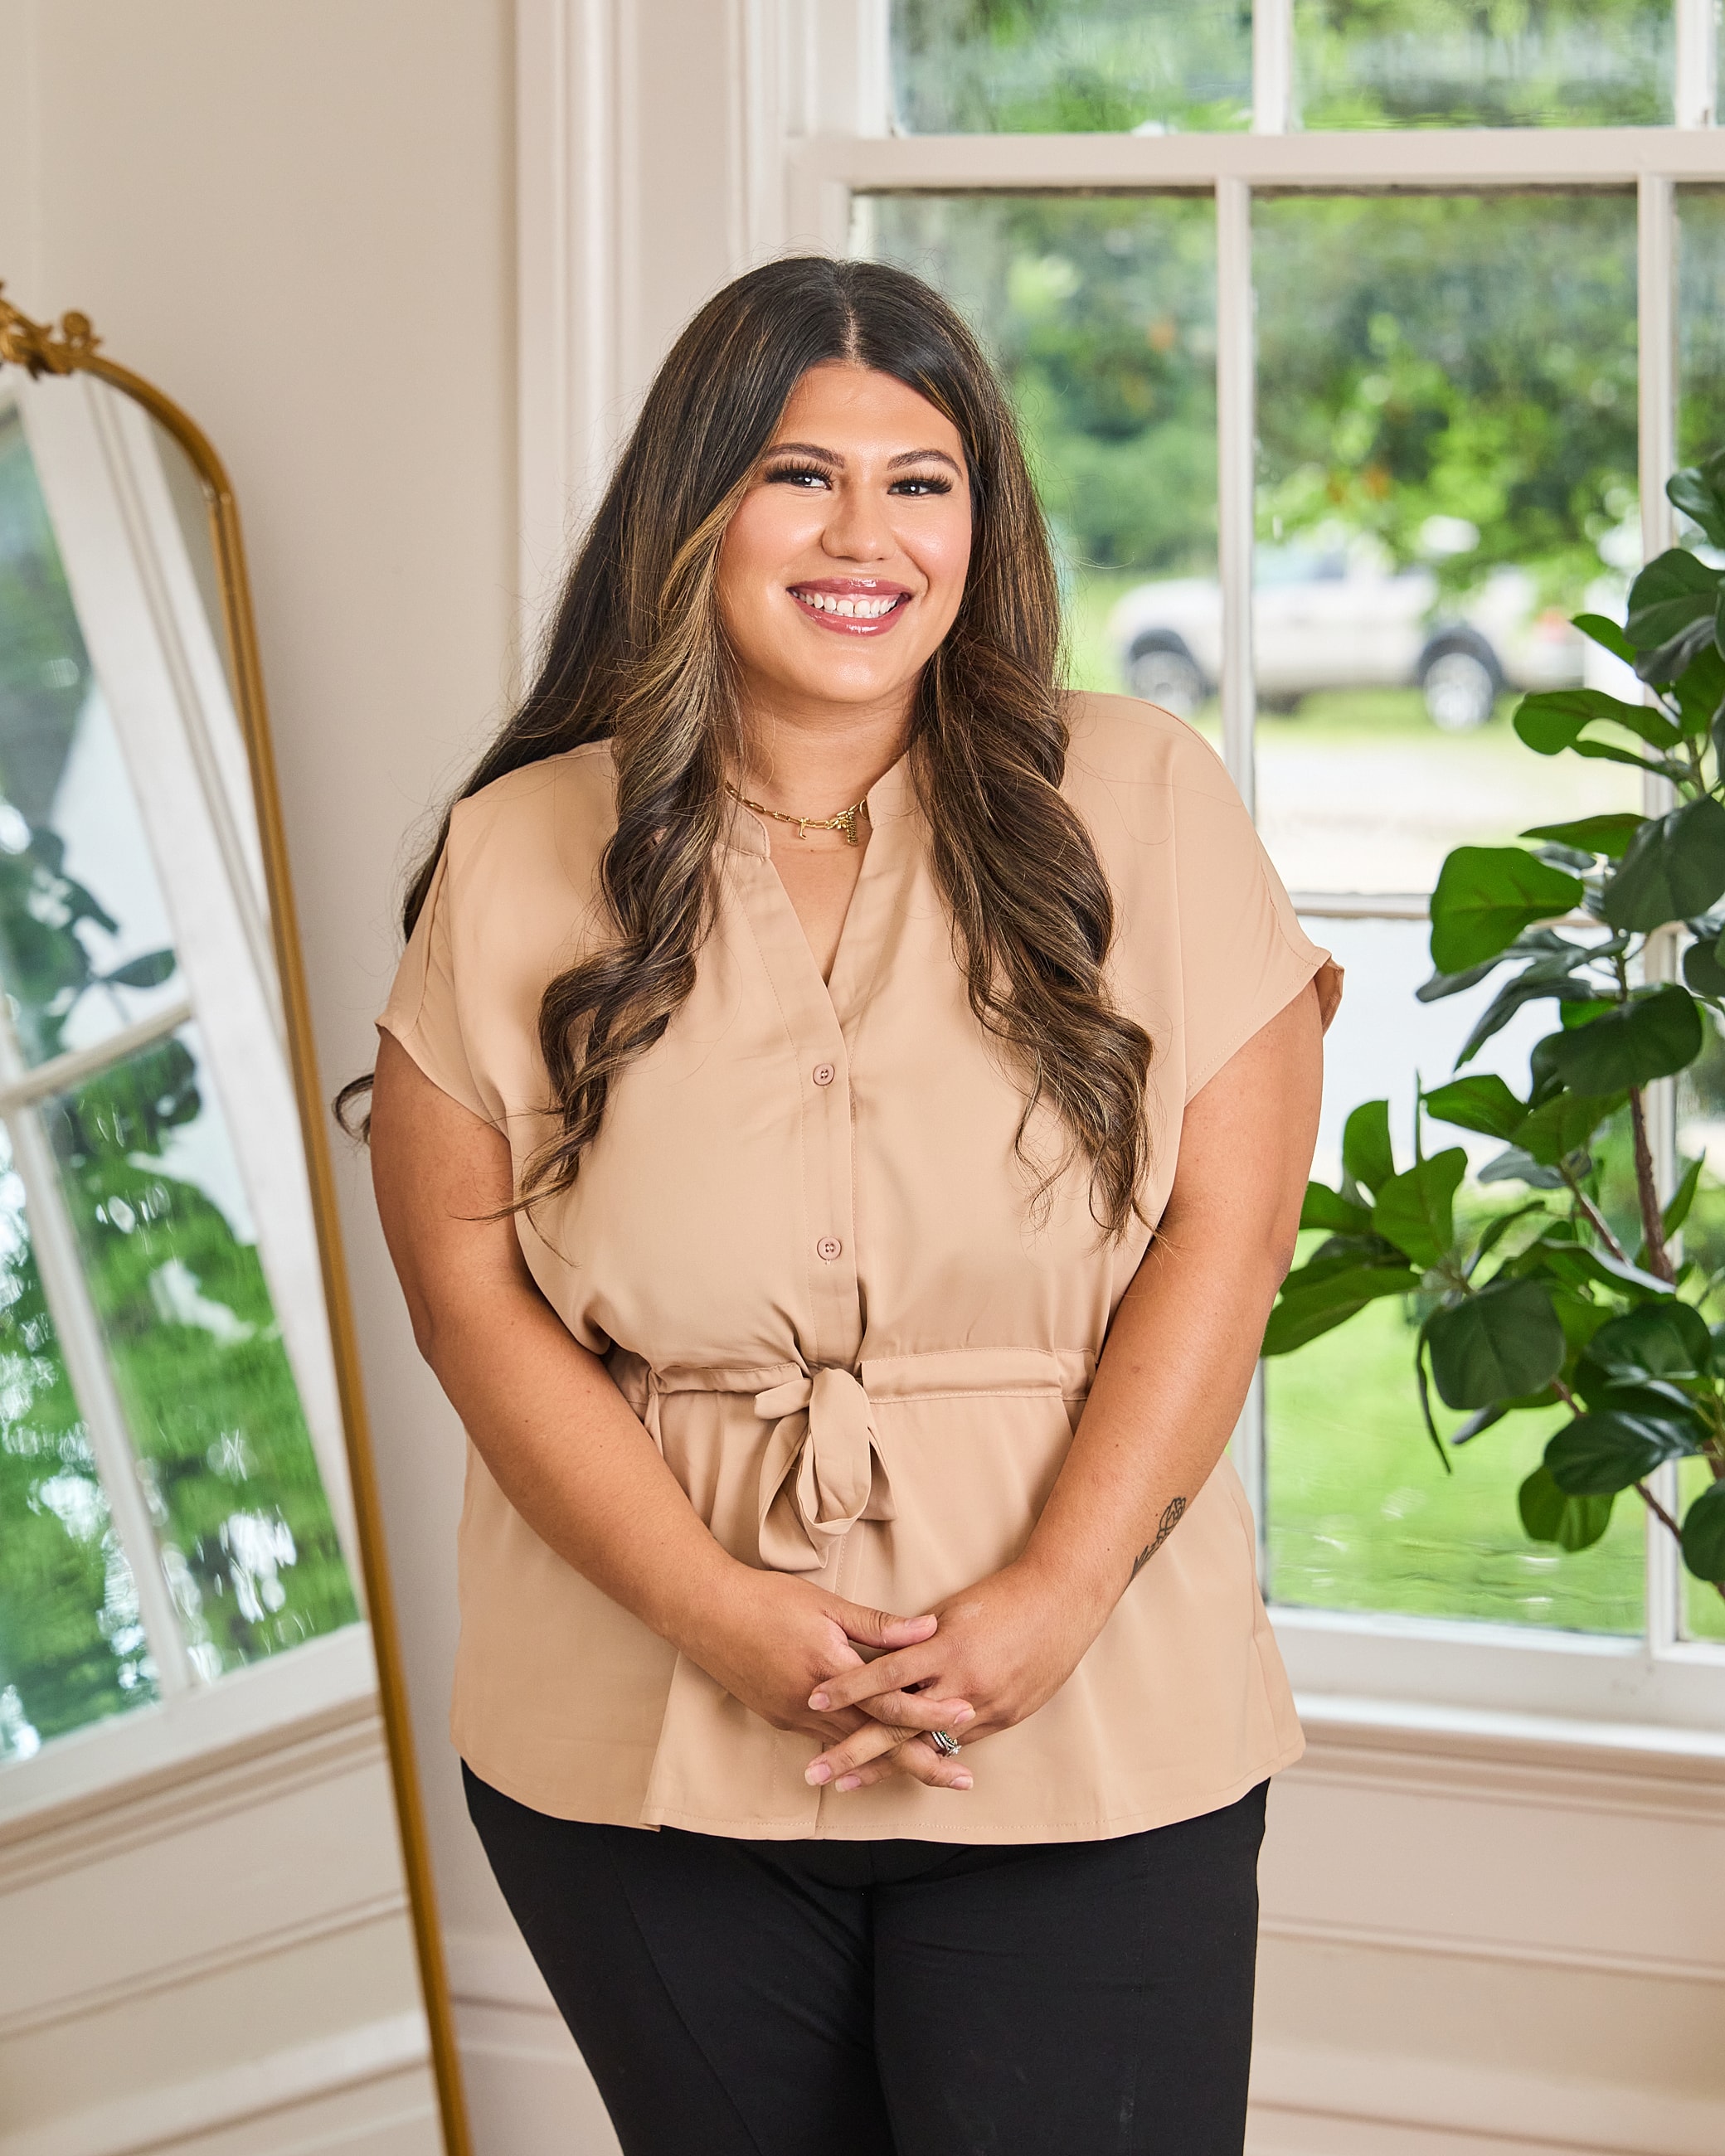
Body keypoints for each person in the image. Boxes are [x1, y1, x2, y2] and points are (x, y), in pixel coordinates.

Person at [361, 254, 1339, 2156]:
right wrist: (713, 1610)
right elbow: (465, 1287)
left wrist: (1053, 1598)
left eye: (922, 479)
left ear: (981, 520)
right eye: (800, 474)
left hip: (1092, 1729)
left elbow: (1226, 1234)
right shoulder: (518, 846)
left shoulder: (1140, 800)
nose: (863, 534)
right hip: (637, 1754)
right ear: (696, 507)